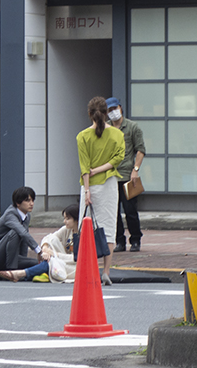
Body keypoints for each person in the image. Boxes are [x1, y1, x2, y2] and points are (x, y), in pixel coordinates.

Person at [77, 96, 125, 286]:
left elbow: (84, 167)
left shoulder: (82, 136)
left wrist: (87, 190)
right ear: (106, 113)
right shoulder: (117, 134)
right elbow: (119, 158)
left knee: (87, 228)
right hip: (109, 185)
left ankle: (90, 270)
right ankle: (106, 271)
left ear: (89, 114)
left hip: (90, 186)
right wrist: (100, 169)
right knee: (108, 228)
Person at [0, 204, 79, 283]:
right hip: (62, 261)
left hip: (75, 266)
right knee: (52, 240)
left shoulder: (82, 234)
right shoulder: (67, 229)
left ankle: (19, 274)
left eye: (68, 219)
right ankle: (28, 274)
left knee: (50, 264)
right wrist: (45, 248)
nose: (65, 221)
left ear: (76, 219)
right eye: (64, 218)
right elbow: (48, 237)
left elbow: (77, 258)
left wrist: (55, 254)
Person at [106, 97, 146, 253]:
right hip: (110, 176)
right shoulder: (106, 128)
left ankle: (135, 240)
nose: (113, 112)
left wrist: (135, 169)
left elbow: (140, 149)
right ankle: (119, 241)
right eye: (109, 110)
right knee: (113, 212)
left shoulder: (132, 127)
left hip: (127, 176)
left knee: (130, 211)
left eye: (114, 108)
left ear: (120, 108)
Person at [0, 186, 42, 272]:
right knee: (16, 232)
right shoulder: (10, 214)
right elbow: (23, 233)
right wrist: (39, 251)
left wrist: (23, 260)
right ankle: (11, 271)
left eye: (32, 200)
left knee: (39, 263)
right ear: (18, 203)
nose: (31, 204)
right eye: (28, 201)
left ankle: (17, 269)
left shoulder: (26, 216)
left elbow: (24, 240)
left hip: (11, 257)